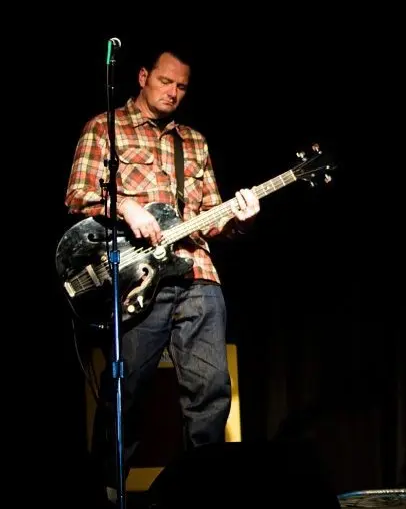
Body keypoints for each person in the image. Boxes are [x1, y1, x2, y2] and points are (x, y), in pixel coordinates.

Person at [63, 44, 261, 502]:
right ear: (142, 76)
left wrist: (238, 217)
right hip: (135, 275)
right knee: (126, 388)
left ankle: (204, 492)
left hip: (196, 270)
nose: (173, 92)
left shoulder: (193, 141)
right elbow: (77, 195)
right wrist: (126, 207)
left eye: (182, 86)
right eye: (165, 81)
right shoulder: (104, 128)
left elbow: (212, 216)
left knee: (210, 389)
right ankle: (108, 491)